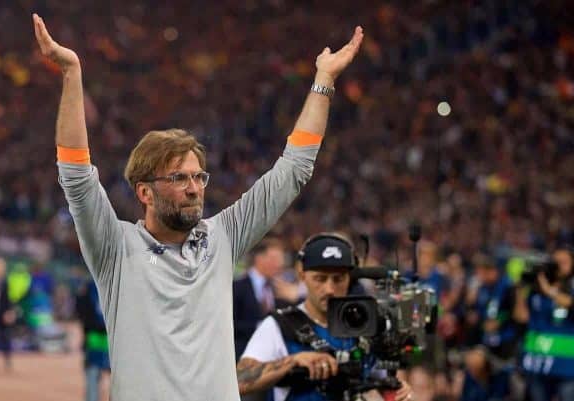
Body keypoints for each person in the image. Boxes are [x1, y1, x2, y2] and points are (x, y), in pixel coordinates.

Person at [32, 13, 363, 401]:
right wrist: (71, 73)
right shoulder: (115, 249)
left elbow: (293, 169)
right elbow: (76, 176)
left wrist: (324, 80)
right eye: (178, 178)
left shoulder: (223, 236)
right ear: (145, 192)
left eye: (198, 177)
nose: (193, 189)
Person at [237, 232, 413, 401]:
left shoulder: (364, 324)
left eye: (338, 279)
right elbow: (239, 380)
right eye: (320, 279)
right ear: (301, 275)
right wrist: (292, 362)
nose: (329, 289)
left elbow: (383, 379)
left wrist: (396, 389)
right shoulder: (279, 326)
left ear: (350, 279)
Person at [514, 247, 574, 401]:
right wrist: (520, 292)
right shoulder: (537, 289)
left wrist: (549, 290)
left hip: (567, 365)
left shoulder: (568, 287)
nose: (558, 266)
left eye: (563, 262)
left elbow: (569, 303)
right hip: (538, 362)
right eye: (555, 262)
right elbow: (522, 317)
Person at [234, 238, 294, 361]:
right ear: (259, 258)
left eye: (282, 259)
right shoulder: (237, 287)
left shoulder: (279, 289)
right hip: (241, 357)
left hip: (271, 359)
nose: (280, 264)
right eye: (275, 259)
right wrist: (262, 327)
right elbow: (231, 324)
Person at [76, 279, 110, 401]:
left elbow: (80, 310)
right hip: (111, 337)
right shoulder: (118, 283)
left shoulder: (88, 286)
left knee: (93, 372)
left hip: (95, 335)